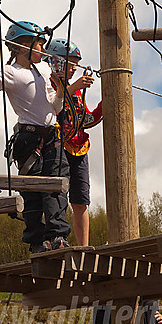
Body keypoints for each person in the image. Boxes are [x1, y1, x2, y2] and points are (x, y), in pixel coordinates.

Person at [0, 22, 88, 253]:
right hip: (29, 139)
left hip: (52, 136)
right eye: (40, 45)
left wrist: (63, 89)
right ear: (23, 46)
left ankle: (58, 237)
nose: (43, 50)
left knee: (57, 187)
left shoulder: (43, 71)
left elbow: (53, 104)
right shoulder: (11, 73)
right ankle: (36, 241)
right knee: (32, 191)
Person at [44, 38, 99, 246]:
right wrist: (73, 86)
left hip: (79, 146)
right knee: (57, 194)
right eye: (71, 63)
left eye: (76, 63)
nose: (75, 68)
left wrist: (106, 103)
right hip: (58, 146)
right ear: (57, 62)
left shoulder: (75, 90)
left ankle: (84, 246)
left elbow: (85, 118)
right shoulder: (47, 83)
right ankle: (56, 238)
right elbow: (54, 105)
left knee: (81, 200)